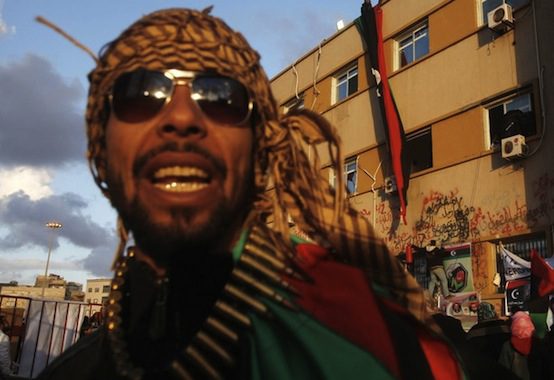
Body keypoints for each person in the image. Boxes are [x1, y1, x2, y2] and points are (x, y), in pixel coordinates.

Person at [37, 8, 470, 379]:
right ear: (100, 143)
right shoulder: (81, 364)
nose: (183, 115)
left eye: (220, 95)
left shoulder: (354, 335)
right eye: (141, 91)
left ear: (261, 149)